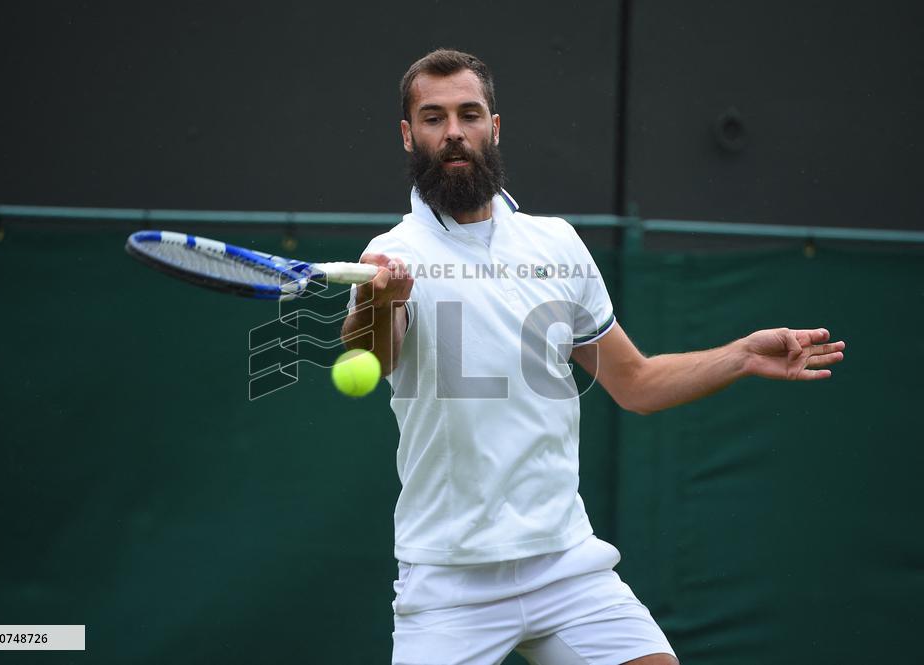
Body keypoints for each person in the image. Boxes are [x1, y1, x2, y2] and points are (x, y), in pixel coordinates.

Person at [341, 49, 845, 665]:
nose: (453, 132)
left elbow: (635, 383)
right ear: (408, 135)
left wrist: (740, 355)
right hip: (450, 577)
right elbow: (373, 357)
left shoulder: (556, 244)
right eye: (433, 117)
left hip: (564, 563)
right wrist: (381, 301)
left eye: (469, 115)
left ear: (493, 128)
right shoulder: (391, 253)